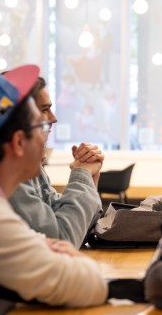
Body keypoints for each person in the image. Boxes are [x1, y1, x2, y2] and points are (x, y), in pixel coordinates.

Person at [0, 65, 107, 315]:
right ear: (18, 143)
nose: (52, 124)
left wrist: (46, 245)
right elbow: (90, 283)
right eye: (41, 123)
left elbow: (64, 228)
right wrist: (58, 250)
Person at [8, 76, 104, 248]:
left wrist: (89, 178)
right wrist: (82, 174)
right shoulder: (9, 171)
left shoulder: (30, 165)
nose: (53, 118)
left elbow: (78, 227)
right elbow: (61, 241)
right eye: (44, 110)